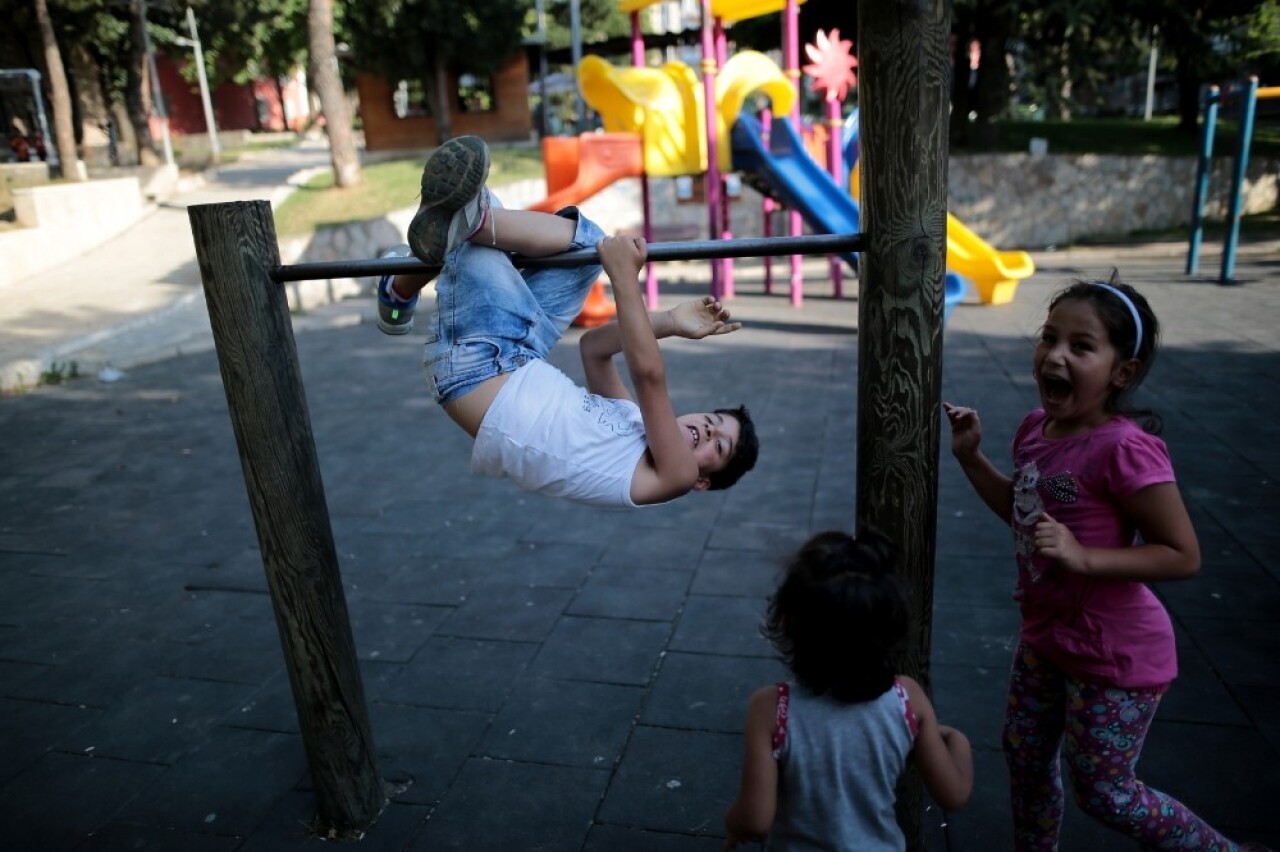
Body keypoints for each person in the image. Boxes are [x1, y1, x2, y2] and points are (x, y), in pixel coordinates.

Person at [944, 274, 1266, 852]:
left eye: (1081, 346)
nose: (1055, 354)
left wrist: (1083, 555)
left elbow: (1182, 554)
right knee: (1025, 760)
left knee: (1106, 792)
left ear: (1123, 372)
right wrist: (971, 459)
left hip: (1114, 653)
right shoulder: (1034, 430)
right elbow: (1026, 519)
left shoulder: (1123, 449)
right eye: (1049, 337)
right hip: (1046, 638)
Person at [375, 135, 758, 509]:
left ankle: (435, 254)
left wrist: (624, 276)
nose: (708, 431)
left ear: (702, 482)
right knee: (588, 245)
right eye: (713, 420)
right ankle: (430, 260)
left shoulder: (674, 477)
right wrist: (671, 322)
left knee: (471, 224)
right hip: (520, 352)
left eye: (718, 446)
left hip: (478, 367)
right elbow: (595, 348)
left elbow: (648, 376)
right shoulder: (632, 422)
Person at [723, 529, 974, 850]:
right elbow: (954, 794)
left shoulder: (772, 707)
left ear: (786, 623)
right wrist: (959, 741)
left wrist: (732, 821)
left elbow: (754, 819)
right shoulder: (907, 700)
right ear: (892, 632)